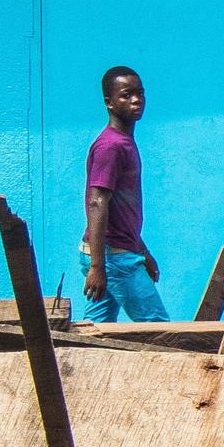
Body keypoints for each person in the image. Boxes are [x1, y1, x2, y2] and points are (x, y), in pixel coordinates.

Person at [80, 66, 168, 322]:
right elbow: (97, 202)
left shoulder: (124, 142)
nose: (136, 100)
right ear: (109, 103)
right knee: (158, 330)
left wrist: (143, 251)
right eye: (126, 95)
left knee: (96, 333)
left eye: (140, 94)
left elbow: (121, 211)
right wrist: (98, 267)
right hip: (114, 258)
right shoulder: (111, 146)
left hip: (116, 252)